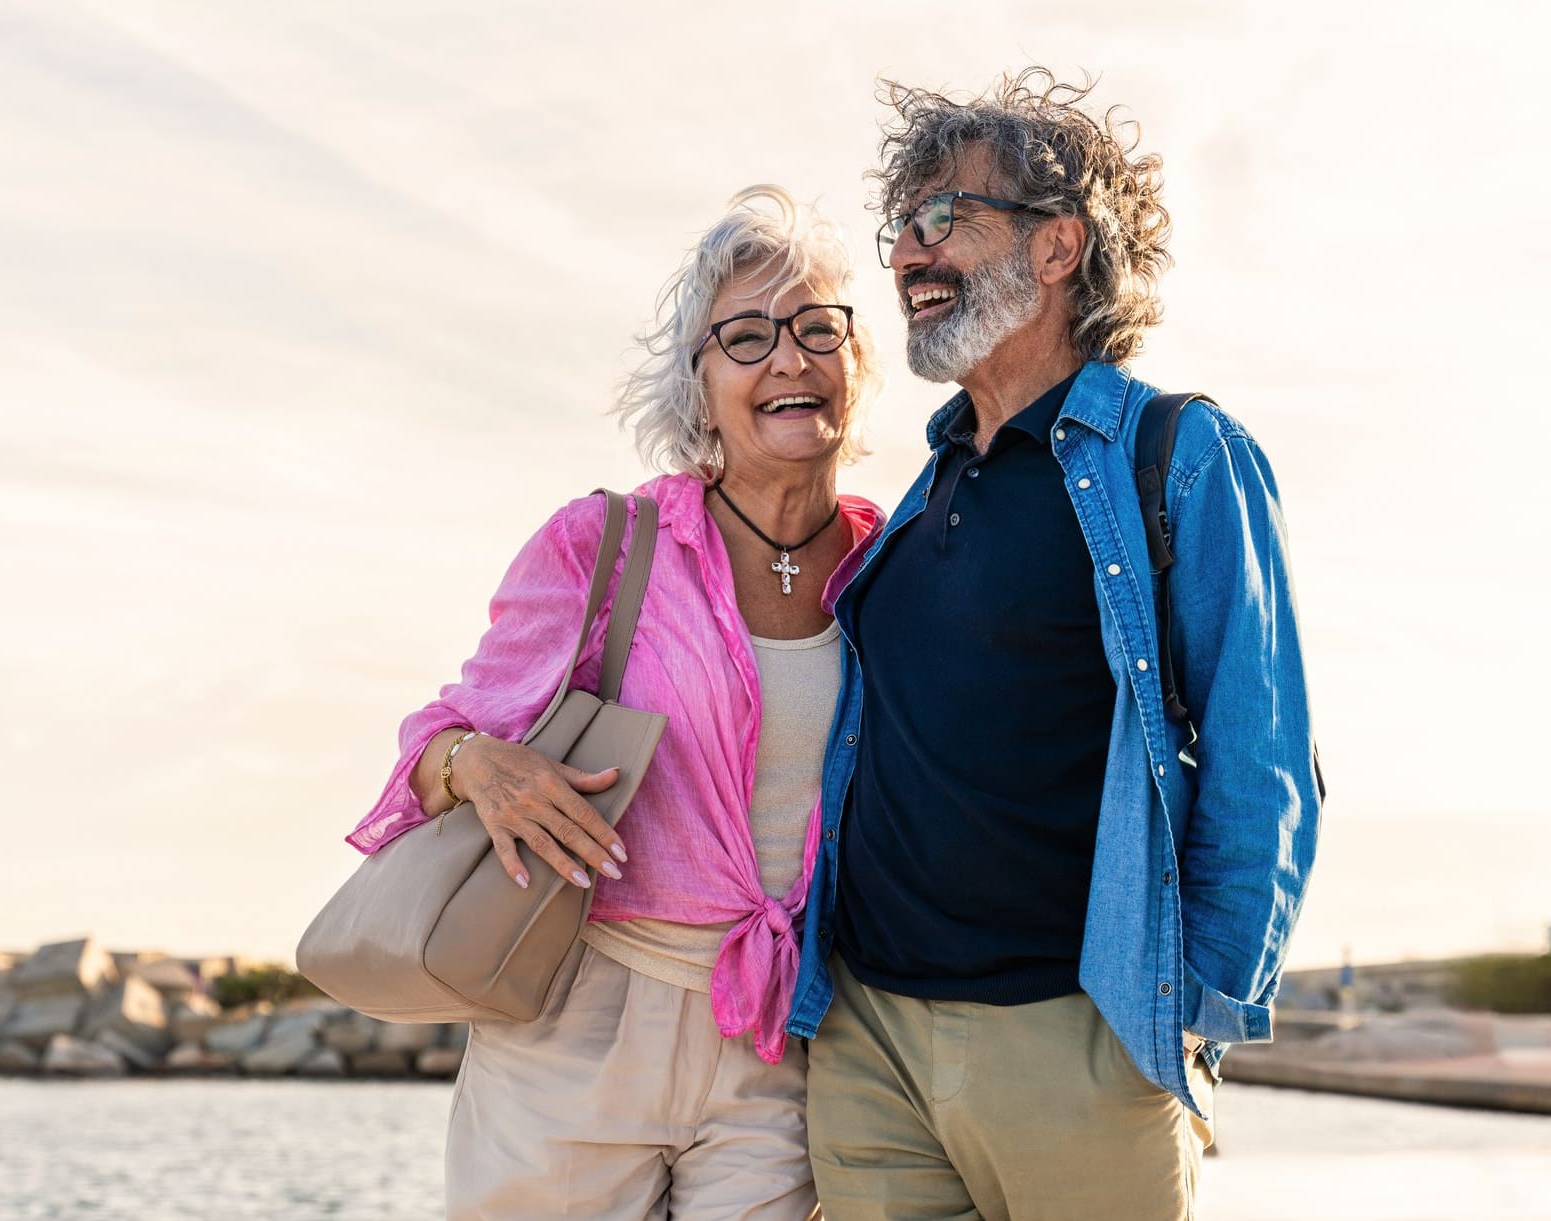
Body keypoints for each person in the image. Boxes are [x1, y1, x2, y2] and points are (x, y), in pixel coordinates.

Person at [786, 70, 1323, 1219]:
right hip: (868, 1038)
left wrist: (1192, 1017)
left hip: (1075, 1040)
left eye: (947, 219)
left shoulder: (1177, 457)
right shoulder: (925, 490)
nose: (908, 257)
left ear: (1055, 248)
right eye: (901, 229)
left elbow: (1262, 754)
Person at [345, 186, 882, 1221]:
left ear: (854, 364)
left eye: (819, 328)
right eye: (746, 336)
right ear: (699, 380)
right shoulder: (606, 549)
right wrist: (475, 766)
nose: (789, 358)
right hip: (577, 1021)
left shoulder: (893, 568)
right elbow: (434, 741)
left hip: (780, 1037)